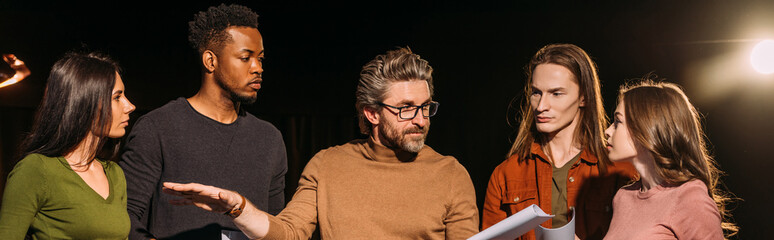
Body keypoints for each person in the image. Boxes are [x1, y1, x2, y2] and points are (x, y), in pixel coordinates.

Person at [162, 48, 479, 239]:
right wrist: (236, 206)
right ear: (371, 113)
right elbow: (288, 233)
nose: (421, 120)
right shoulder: (328, 166)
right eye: (406, 108)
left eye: (426, 108)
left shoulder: (450, 175)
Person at [119, 4, 287, 240]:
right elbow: (123, 214)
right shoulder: (159, 127)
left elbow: (276, 224)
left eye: (260, 59)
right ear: (210, 61)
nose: (257, 68)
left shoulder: (269, 139)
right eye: (245, 57)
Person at [482, 43, 637, 239]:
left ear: (584, 97)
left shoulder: (620, 170)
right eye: (536, 92)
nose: (541, 106)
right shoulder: (506, 174)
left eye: (556, 93)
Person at [0, 51, 135, 239]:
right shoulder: (36, 170)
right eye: (117, 97)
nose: (130, 106)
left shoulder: (114, 174)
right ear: (84, 102)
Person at [603, 80, 737, 239]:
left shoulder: (690, 199)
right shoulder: (623, 197)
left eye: (618, 122)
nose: (607, 131)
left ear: (646, 128)